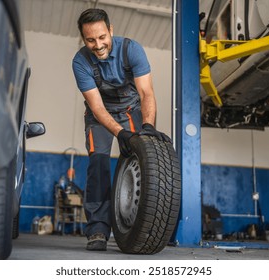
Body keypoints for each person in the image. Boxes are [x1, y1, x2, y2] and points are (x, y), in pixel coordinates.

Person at [72, 8, 170, 251]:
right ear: (84, 39)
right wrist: (120, 132)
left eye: (102, 37)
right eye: (91, 40)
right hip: (100, 116)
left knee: (147, 159)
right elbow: (96, 107)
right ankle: (97, 230)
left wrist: (147, 126)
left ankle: (143, 224)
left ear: (111, 31)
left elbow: (147, 92)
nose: (98, 44)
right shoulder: (80, 62)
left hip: (131, 109)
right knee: (98, 164)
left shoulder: (131, 50)